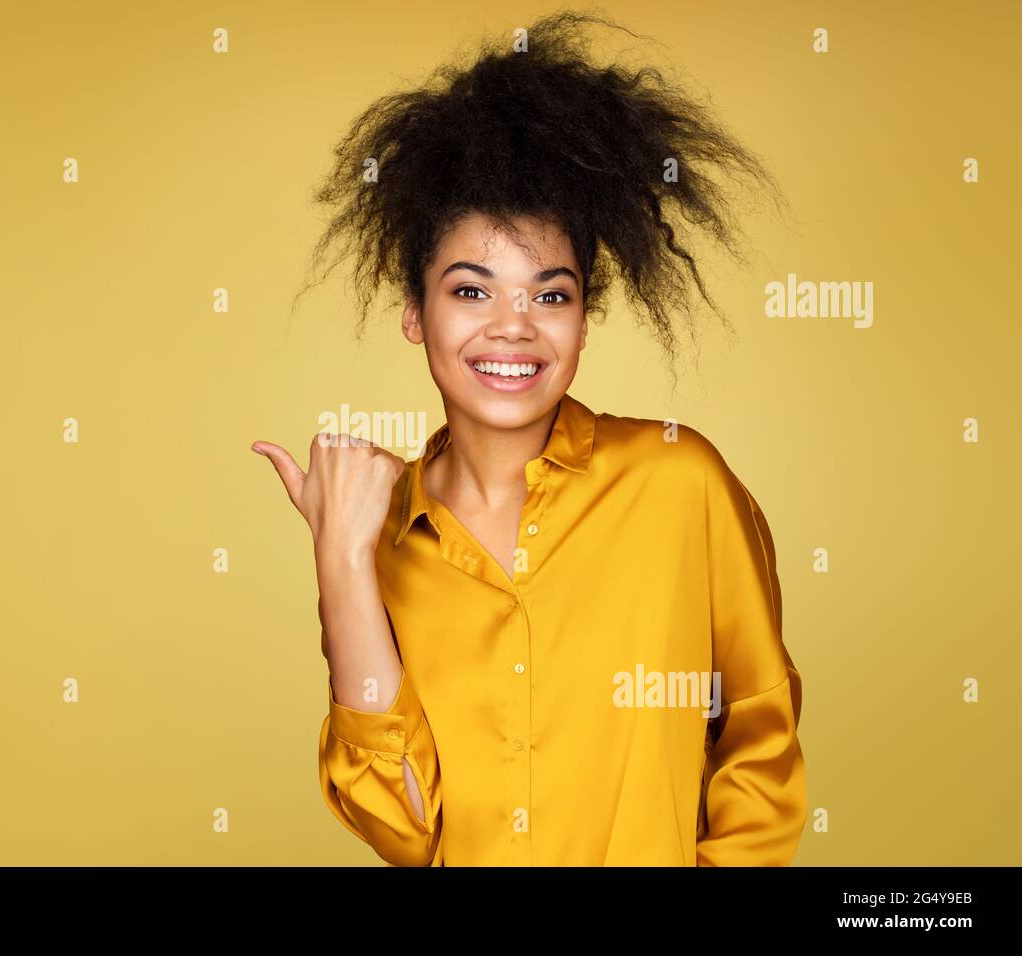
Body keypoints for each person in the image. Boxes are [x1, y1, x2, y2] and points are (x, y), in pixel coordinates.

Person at [252, 10, 806, 866]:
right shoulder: (382, 530)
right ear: (415, 312)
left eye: (551, 296)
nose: (512, 329)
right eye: (472, 291)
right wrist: (340, 562)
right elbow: (405, 831)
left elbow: (759, 742)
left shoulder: (677, 479)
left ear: (584, 321)